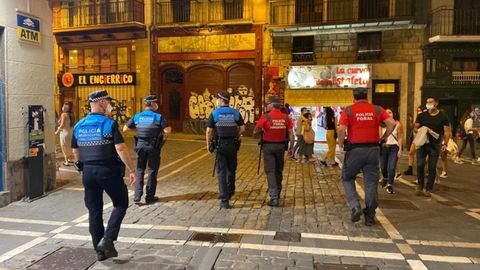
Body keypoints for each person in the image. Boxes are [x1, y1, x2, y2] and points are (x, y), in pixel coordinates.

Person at [72, 90, 137, 261]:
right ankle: (107, 240)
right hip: (108, 171)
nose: (109, 104)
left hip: (88, 173)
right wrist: (132, 169)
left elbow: (75, 151)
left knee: (94, 211)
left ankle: (100, 252)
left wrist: (81, 168)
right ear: (101, 103)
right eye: (107, 101)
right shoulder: (109, 124)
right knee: (121, 202)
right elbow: (121, 148)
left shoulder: (79, 125)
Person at [337, 87, 396, 226]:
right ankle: (369, 217)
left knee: (347, 177)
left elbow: (341, 129)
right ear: (367, 96)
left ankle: (355, 206)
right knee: (371, 183)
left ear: (354, 97)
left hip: (355, 150)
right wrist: (384, 137)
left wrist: (341, 144)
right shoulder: (377, 109)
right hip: (373, 150)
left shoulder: (349, 110)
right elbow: (392, 123)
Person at [123, 95, 171, 204]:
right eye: (156, 103)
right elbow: (167, 131)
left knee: (140, 170)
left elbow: (125, 129)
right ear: (153, 104)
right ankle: (150, 197)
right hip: (153, 147)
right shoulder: (158, 117)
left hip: (140, 146)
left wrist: (139, 132)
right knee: (152, 171)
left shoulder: (137, 116)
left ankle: (137, 196)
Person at [206, 91, 245, 209]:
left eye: (218, 99)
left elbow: (209, 131)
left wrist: (208, 145)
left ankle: (224, 200)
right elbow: (243, 128)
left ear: (221, 100)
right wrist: (236, 135)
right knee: (231, 169)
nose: (216, 101)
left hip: (220, 146)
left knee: (221, 172)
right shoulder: (236, 113)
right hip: (232, 145)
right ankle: (230, 190)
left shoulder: (215, 113)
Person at [254, 96, 294, 207]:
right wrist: (292, 148)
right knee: (278, 170)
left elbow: (255, 131)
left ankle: (274, 197)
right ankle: (278, 193)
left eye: (267, 104)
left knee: (270, 171)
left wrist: (261, 130)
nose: (267, 106)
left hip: (268, 147)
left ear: (271, 105)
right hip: (281, 147)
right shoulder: (286, 117)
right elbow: (291, 133)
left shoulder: (266, 116)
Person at [414, 97, 451, 197]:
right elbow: (415, 128)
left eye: (430, 102)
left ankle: (429, 188)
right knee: (420, 164)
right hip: (422, 143)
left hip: (435, 144)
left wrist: (445, 144)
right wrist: (423, 130)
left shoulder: (443, 116)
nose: (428, 104)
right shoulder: (422, 115)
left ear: (436, 103)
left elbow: (447, 132)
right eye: (427, 102)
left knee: (432, 166)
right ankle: (420, 186)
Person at [380, 109, 403, 194]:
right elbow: (379, 137)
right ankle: (385, 178)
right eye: (386, 113)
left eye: (390, 112)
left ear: (393, 114)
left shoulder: (398, 124)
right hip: (384, 148)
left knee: (392, 166)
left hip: (394, 148)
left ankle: (390, 184)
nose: (388, 114)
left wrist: (400, 149)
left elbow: (400, 137)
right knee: (383, 167)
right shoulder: (381, 125)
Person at [404, 106, 425, 176]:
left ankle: (425, 171)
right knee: (411, 153)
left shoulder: (424, 118)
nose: (418, 112)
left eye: (419, 110)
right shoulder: (418, 118)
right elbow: (413, 128)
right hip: (415, 139)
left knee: (422, 157)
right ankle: (410, 169)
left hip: (422, 140)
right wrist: (411, 121)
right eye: (417, 110)